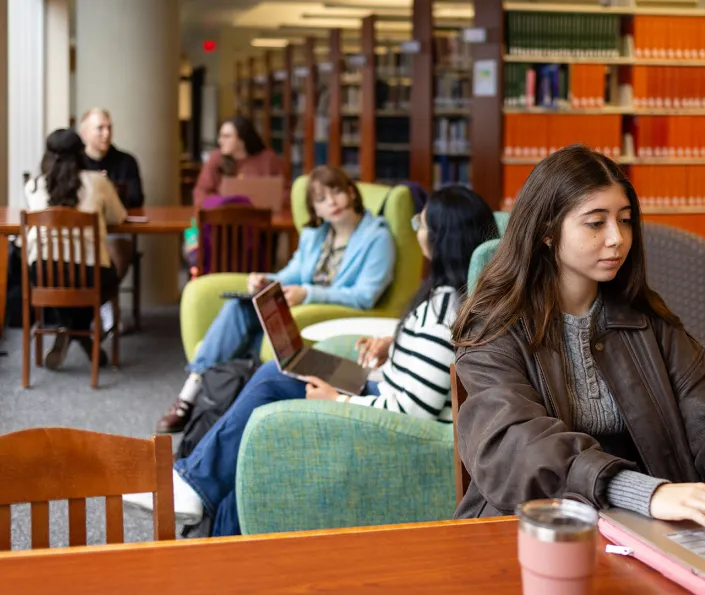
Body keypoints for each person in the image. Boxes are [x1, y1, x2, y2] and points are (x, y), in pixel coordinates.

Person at [125, 186, 499, 536]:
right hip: (381, 387)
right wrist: (396, 345)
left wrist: (338, 401)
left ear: (442, 237)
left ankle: (194, 488)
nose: (417, 231)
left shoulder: (443, 315)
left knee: (273, 382)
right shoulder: (450, 299)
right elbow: (425, 370)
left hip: (385, 417)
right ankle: (195, 488)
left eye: (422, 224)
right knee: (276, 373)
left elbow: (411, 411)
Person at [452, 145, 705, 533]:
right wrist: (642, 492)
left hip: (648, 524)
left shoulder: (649, 322)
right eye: (595, 223)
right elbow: (515, 446)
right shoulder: (495, 327)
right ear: (547, 232)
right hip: (534, 526)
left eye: (624, 221)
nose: (617, 239)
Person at [156, 165, 396, 434]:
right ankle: (192, 393)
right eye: (321, 199)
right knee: (240, 306)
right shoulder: (315, 235)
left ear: (351, 193)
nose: (331, 202)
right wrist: (266, 280)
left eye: (337, 192)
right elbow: (290, 274)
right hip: (296, 310)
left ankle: (201, 405)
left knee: (242, 338)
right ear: (315, 210)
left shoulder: (377, 237)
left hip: (324, 316)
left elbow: (365, 295)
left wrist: (308, 293)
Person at [23, 128, 126, 369]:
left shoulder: (33, 186)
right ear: (81, 154)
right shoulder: (98, 182)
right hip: (90, 276)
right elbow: (118, 217)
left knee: (60, 277)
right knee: (108, 275)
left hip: (42, 275)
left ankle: (67, 329)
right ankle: (79, 333)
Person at [79, 108, 144, 283]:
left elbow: (137, 198)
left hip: (116, 231)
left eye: (109, 128)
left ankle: (102, 299)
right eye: (100, 128)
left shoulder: (126, 161)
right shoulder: (75, 163)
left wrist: (107, 194)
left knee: (114, 250)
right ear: (85, 133)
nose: (106, 134)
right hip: (83, 233)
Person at [193, 116, 287, 206]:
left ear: (242, 139)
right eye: (220, 136)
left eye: (226, 136)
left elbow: (285, 191)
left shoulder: (268, 159)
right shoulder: (216, 158)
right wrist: (222, 202)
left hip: (262, 217)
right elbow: (200, 194)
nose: (220, 141)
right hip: (224, 217)